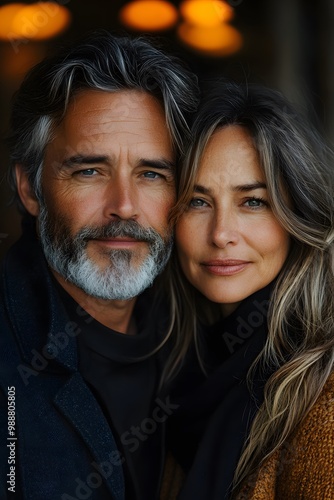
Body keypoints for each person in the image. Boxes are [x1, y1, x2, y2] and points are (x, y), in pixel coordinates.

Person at [0, 31, 198, 500]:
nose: (125, 207)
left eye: (152, 173)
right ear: (31, 188)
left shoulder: (209, 339)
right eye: (90, 171)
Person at [167, 81, 334, 499]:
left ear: (298, 212)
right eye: (197, 201)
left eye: (253, 201)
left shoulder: (322, 390)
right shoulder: (175, 367)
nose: (221, 234)